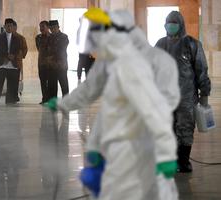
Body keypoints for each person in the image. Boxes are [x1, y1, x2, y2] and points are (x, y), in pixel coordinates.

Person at [46, 8, 178, 200]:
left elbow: (156, 110)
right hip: (121, 150)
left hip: (143, 148)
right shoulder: (113, 60)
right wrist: (94, 145)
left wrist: (164, 154)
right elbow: (100, 100)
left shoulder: (138, 64)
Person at [155, 11, 211, 173]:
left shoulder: (192, 44)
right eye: (168, 23)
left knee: (185, 128)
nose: (170, 26)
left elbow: (201, 69)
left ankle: (184, 162)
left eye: (174, 23)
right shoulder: (160, 44)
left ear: (181, 24)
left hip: (186, 97)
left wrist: (204, 94)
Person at [0, 18, 24, 105]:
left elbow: (19, 49)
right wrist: (7, 55)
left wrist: (13, 55)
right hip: (2, 63)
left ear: (13, 27)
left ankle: (10, 101)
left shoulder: (18, 38)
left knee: (12, 85)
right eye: (7, 25)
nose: (9, 27)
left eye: (11, 26)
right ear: (4, 26)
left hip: (13, 64)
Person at [48, 20, 69, 98]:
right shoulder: (49, 37)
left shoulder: (64, 37)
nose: (52, 30)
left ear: (58, 27)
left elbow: (62, 49)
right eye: (51, 28)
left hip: (61, 64)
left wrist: (53, 57)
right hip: (51, 65)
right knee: (52, 84)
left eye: (54, 28)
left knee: (63, 83)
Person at [35, 21, 52, 104]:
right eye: (40, 27)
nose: (41, 29)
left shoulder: (52, 37)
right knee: (43, 81)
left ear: (48, 27)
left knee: (51, 82)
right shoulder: (38, 37)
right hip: (41, 63)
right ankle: (44, 98)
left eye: (43, 27)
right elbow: (39, 49)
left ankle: (51, 99)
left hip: (51, 63)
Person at [12, 20, 28, 102]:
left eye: (12, 26)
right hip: (7, 63)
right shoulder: (5, 37)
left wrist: (20, 57)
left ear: (15, 27)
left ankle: (15, 95)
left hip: (17, 62)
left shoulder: (21, 38)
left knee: (16, 80)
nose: (11, 28)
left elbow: (25, 49)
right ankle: (11, 95)